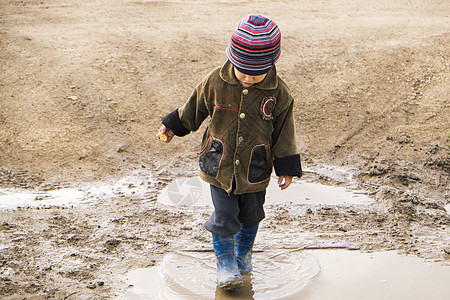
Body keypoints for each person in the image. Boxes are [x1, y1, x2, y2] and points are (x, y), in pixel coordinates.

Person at [157, 14, 302, 290]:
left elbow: (285, 131)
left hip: (255, 170)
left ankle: (243, 256)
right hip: (219, 165)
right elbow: (194, 108)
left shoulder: (279, 94)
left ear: (271, 65)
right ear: (232, 58)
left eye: (255, 72)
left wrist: (286, 167)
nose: (247, 77)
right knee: (224, 216)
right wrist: (172, 125)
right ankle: (225, 264)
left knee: (251, 215)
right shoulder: (216, 81)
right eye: (241, 69)